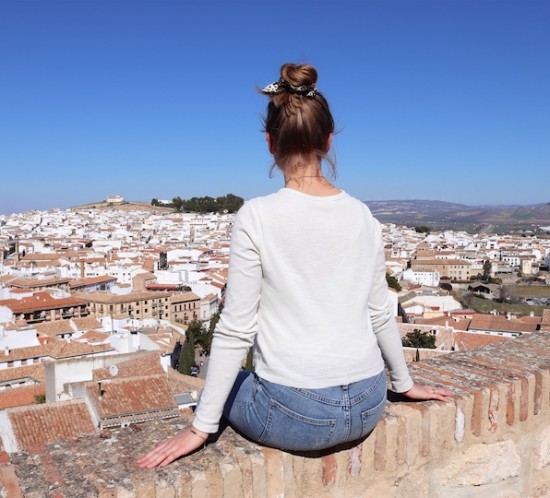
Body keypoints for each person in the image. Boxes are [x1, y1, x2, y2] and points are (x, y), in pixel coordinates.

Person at [138, 63, 452, 469]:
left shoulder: (257, 215)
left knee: (228, 378)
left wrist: (200, 427)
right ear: (328, 139)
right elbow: (380, 313)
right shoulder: (363, 216)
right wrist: (404, 385)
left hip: (295, 416)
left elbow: (236, 328)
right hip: (369, 403)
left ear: (269, 142)